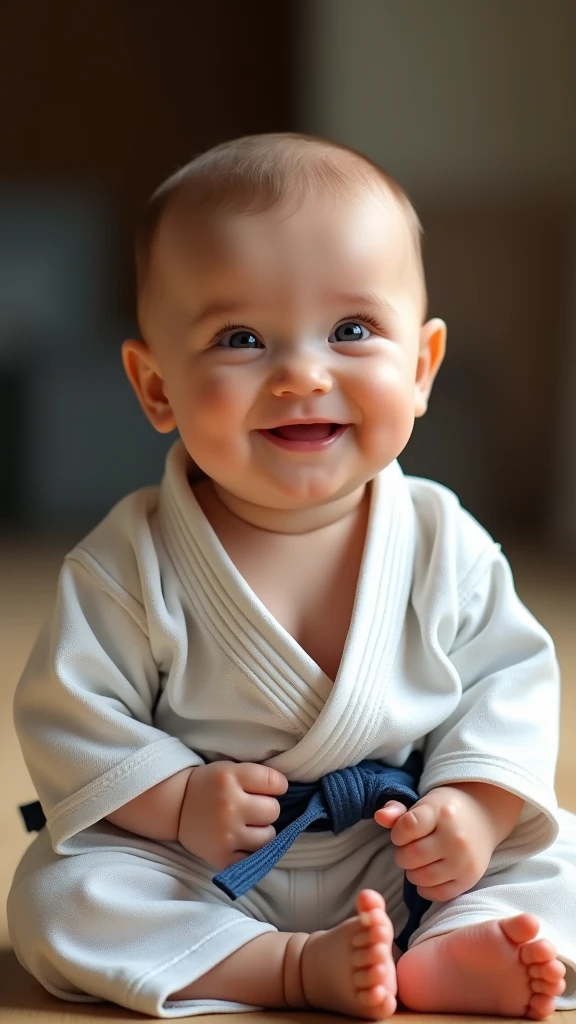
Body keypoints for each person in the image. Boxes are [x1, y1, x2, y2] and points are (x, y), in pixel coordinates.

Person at [7, 132, 576, 1020]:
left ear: (421, 367)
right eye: (241, 338)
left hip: (406, 855)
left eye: (352, 331)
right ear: (156, 387)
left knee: (557, 862)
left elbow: (510, 683)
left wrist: (473, 810)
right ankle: (282, 966)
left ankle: (456, 945)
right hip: (204, 872)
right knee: (60, 897)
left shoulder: (443, 541)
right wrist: (176, 799)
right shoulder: (131, 560)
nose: (302, 374)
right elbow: (72, 714)